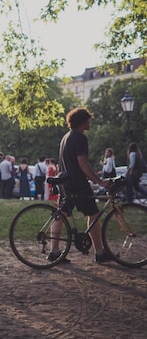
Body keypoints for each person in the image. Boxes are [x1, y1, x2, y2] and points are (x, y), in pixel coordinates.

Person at [50, 108, 112, 264]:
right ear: (83, 122)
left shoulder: (66, 137)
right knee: (93, 214)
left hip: (65, 182)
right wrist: (100, 182)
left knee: (61, 215)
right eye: (88, 120)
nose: (89, 123)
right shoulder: (80, 138)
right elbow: (83, 164)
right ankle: (100, 253)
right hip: (78, 183)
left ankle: (54, 251)